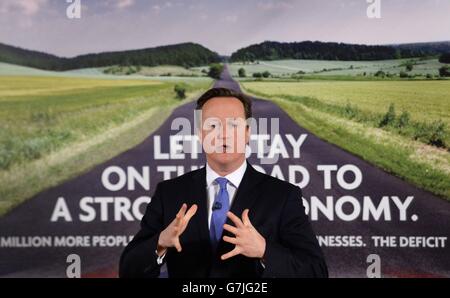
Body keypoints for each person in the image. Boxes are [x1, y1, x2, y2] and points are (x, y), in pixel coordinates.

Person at [119, 87, 328, 278]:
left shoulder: (283, 195)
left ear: (247, 133)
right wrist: (160, 243)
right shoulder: (169, 192)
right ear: (200, 134)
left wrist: (264, 250)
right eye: (212, 125)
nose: (223, 134)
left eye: (233, 124)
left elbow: (316, 272)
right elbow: (128, 270)